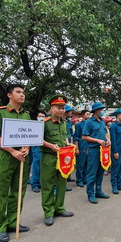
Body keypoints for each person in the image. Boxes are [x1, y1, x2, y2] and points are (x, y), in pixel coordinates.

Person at [0, 84, 31, 242]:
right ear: (9, 95)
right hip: (5, 157)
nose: (22, 95)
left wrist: (26, 147)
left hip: (22, 157)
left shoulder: (26, 115)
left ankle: (13, 222)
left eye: (23, 93)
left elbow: (29, 134)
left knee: (18, 191)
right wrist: (12, 151)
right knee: (1, 192)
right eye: (18, 92)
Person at [40, 95, 75, 227]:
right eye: (59, 108)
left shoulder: (65, 123)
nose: (61, 110)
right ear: (52, 108)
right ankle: (48, 212)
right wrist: (50, 146)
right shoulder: (44, 123)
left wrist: (69, 145)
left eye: (63, 108)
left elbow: (65, 138)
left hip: (63, 157)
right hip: (48, 157)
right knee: (48, 185)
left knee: (62, 183)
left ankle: (60, 208)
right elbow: (38, 140)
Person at [82, 102, 111, 204]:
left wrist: (108, 140)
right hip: (93, 150)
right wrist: (97, 141)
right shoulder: (89, 122)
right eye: (101, 109)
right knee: (92, 173)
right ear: (96, 111)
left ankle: (98, 191)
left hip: (103, 150)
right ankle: (90, 194)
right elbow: (84, 136)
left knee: (100, 171)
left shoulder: (102, 121)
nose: (102, 111)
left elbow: (105, 134)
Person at [30, 111, 46, 193]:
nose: (41, 117)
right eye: (40, 116)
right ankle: (35, 184)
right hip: (36, 147)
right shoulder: (34, 126)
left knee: (44, 167)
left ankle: (41, 183)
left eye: (43, 116)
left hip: (45, 148)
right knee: (36, 166)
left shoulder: (46, 125)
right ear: (37, 117)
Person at [74, 109, 91, 187]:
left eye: (89, 114)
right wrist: (77, 148)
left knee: (87, 164)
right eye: (87, 114)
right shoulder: (79, 125)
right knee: (80, 164)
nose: (88, 115)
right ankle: (79, 180)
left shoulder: (90, 124)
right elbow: (76, 137)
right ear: (83, 115)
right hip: (81, 146)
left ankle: (85, 179)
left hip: (89, 146)